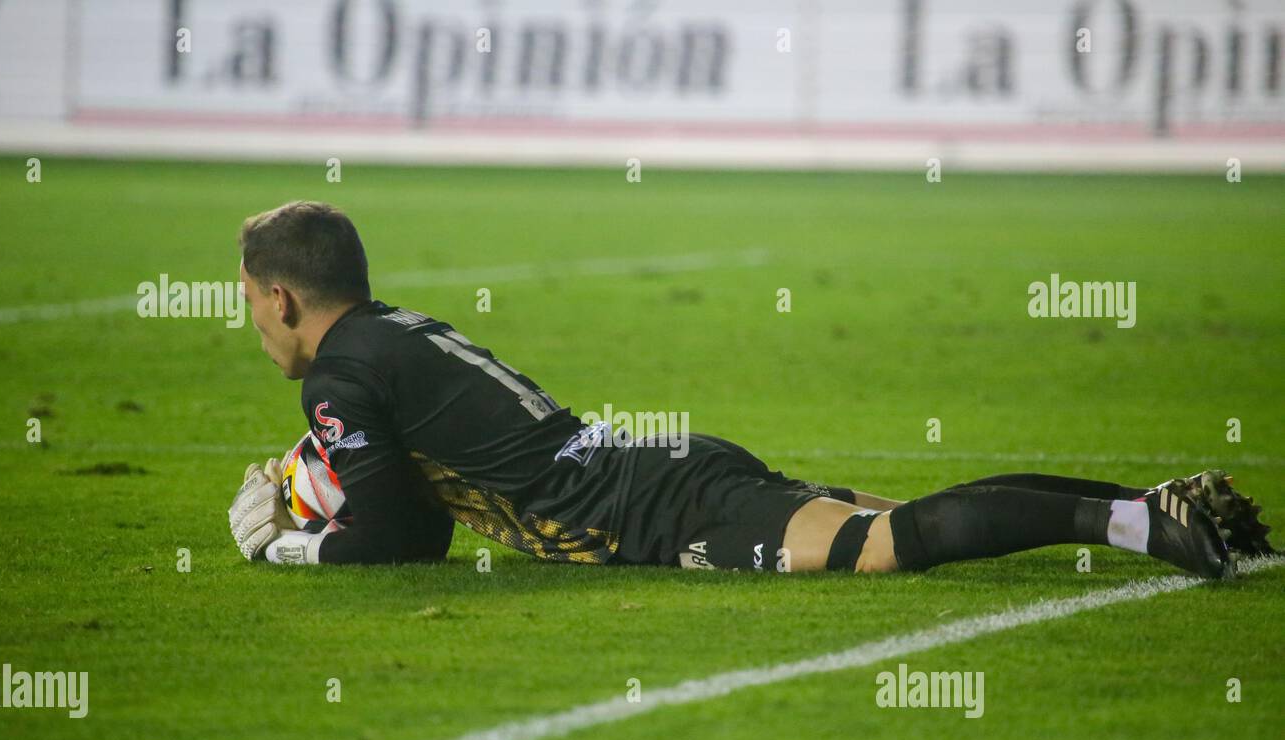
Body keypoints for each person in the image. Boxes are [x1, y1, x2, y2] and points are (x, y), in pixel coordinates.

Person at [228, 201, 1272, 579]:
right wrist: (308, 477)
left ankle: (1140, 523)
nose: (250, 320)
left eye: (247, 301)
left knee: (881, 548)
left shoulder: (341, 371)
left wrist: (290, 540)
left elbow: (399, 540)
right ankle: (1151, 502)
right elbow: (405, 493)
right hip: (652, 470)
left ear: (281, 298)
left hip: (653, 502)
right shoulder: (387, 338)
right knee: (899, 517)